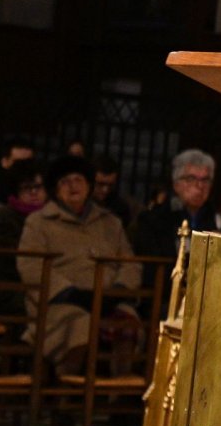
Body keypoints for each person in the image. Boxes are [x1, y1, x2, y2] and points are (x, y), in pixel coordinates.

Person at [16, 156, 140, 377]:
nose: (73, 186)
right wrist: (69, 293)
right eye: (65, 182)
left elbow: (130, 263)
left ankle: (118, 395)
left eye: (78, 180)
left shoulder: (110, 222)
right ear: (56, 189)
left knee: (127, 321)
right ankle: (67, 395)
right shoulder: (39, 222)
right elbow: (30, 264)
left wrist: (118, 290)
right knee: (80, 325)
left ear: (89, 186)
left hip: (107, 298)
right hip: (59, 304)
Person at [132, 148, 221, 261]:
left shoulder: (219, 220)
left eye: (205, 180)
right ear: (176, 183)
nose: (200, 186)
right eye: (191, 179)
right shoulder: (154, 219)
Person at [0, 159, 47, 315]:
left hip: (42, 285)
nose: (34, 192)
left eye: (38, 187)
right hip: (12, 287)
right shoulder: (6, 217)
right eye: (27, 188)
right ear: (16, 190)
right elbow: (10, 262)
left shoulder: (51, 217)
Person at [92, 155, 134, 228]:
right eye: (100, 184)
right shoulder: (78, 204)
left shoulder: (120, 209)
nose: (105, 190)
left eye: (110, 185)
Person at [0, 136, 35, 203]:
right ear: (4, 162)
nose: (25, 166)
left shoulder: (36, 184)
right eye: (19, 163)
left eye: (29, 162)